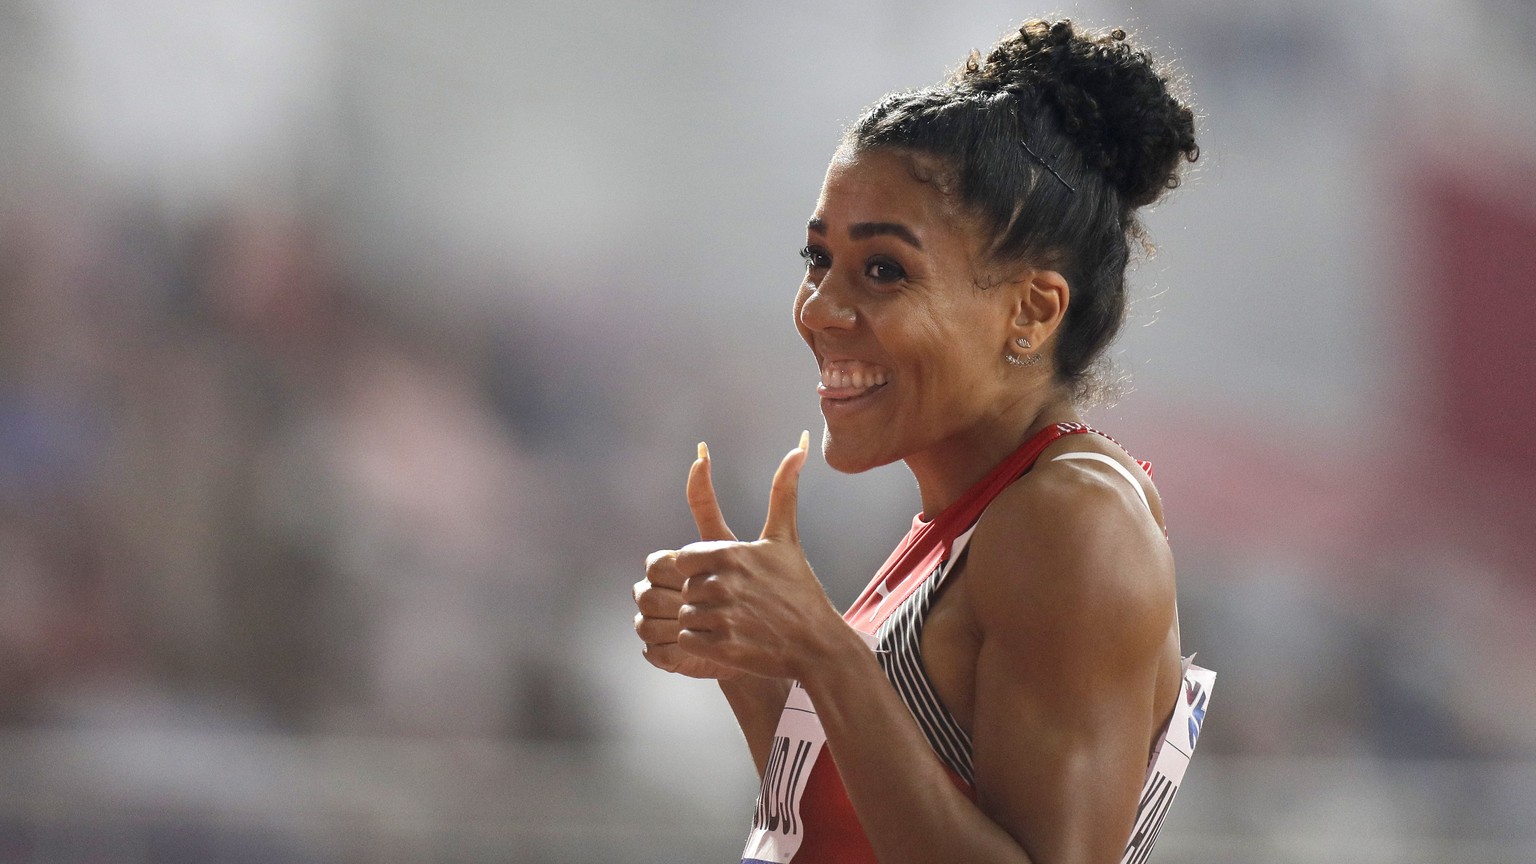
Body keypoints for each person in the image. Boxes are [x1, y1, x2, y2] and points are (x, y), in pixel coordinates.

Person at [635, 18, 1210, 864]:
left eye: (884, 271)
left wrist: (824, 652)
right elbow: (853, 837)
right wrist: (757, 669)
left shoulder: (1070, 519)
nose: (821, 310)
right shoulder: (973, 518)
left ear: (1032, 310)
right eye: (817, 258)